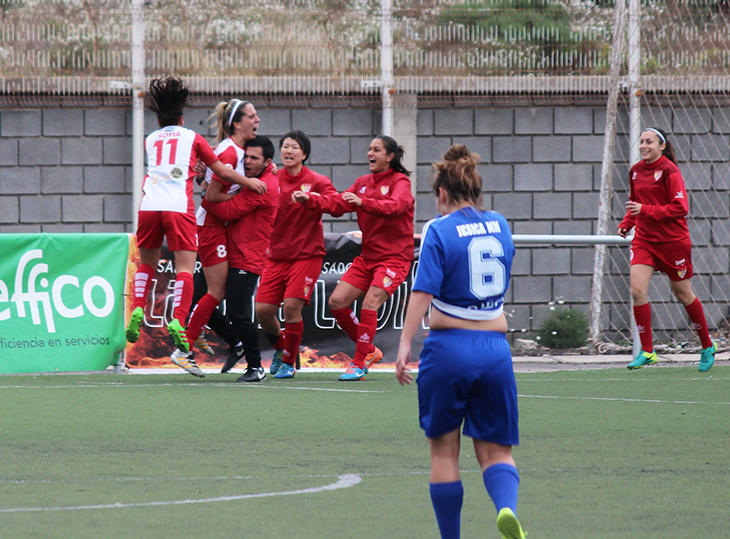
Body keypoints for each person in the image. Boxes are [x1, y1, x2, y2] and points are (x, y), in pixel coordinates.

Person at [395, 145, 525, 539]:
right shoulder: (501, 224)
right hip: (496, 353)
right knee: (497, 451)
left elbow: (423, 291)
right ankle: (506, 508)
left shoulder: (438, 228)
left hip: (449, 350)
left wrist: (403, 343)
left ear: (442, 194)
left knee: (443, 451)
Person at [124, 76, 265, 377]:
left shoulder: (150, 139)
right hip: (180, 208)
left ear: (159, 117)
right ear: (183, 117)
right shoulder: (198, 139)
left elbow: (181, 168)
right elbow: (220, 173)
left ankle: (138, 307)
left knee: (147, 264)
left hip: (149, 205)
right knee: (186, 271)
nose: (257, 120)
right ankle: (179, 324)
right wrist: (250, 182)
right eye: (252, 116)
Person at [169, 98, 263, 376]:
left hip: (214, 226)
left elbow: (209, 185)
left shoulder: (231, 149)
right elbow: (212, 197)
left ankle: (194, 339)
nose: (257, 120)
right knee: (216, 291)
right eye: (252, 116)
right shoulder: (231, 152)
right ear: (237, 123)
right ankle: (183, 348)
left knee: (212, 291)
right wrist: (246, 191)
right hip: (210, 226)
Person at [618, 127, 716, 372]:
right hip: (644, 241)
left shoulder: (670, 171)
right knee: (637, 290)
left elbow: (680, 208)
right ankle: (648, 351)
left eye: (648, 142)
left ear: (661, 146)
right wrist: (627, 223)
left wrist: (645, 211)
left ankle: (707, 345)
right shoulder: (635, 171)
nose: (643, 146)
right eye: (641, 142)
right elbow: (635, 205)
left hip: (673, 243)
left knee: (683, 294)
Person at [255, 130, 343, 379]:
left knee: (292, 307)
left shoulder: (316, 180)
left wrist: (312, 199)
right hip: (275, 256)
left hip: (307, 256)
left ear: (304, 154)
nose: (289, 151)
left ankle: (289, 362)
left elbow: (337, 205)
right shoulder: (271, 176)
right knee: (263, 309)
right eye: (285, 146)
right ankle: (282, 349)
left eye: (295, 147)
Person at [326, 135, 414, 381]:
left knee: (370, 303)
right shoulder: (362, 182)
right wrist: (310, 199)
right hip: (368, 258)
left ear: (390, 156)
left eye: (376, 150)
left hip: (394, 259)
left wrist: (363, 202)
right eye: (369, 149)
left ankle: (358, 363)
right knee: (337, 302)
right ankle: (369, 351)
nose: (370, 154)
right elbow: (337, 203)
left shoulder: (401, 182)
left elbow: (395, 207)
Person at [206, 135, 279, 382]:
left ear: (267, 161)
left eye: (254, 158)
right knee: (200, 299)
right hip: (231, 252)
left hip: (247, 257)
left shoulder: (262, 186)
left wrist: (209, 192)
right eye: (246, 156)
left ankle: (256, 366)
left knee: (239, 312)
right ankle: (236, 343)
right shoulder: (253, 180)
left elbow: (226, 210)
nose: (247, 162)